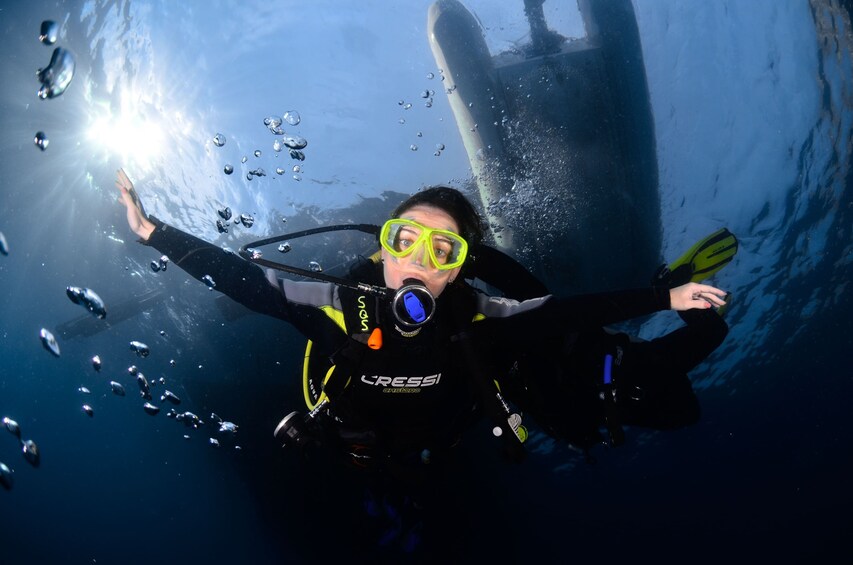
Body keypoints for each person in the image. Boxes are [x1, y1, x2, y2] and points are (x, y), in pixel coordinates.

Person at [115, 168, 729, 552]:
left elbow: (558, 312)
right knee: (371, 491)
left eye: (444, 249)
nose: (420, 260)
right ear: (383, 250)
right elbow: (247, 283)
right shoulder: (342, 306)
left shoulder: (477, 316)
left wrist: (662, 296)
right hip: (355, 445)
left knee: (428, 495)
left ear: (459, 267)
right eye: (403, 239)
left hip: (441, 446)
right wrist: (152, 232)